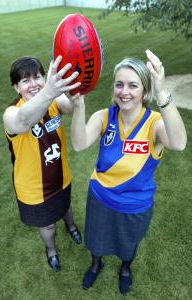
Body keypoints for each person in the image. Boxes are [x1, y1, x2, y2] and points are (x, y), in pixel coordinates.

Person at [69, 49, 187, 295]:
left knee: (127, 245)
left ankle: (125, 268)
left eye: (133, 85)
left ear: (144, 91)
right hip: (100, 199)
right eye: (119, 84)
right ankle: (96, 264)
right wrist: (79, 107)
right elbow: (79, 144)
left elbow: (178, 143)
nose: (124, 92)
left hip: (135, 205)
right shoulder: (104, 116)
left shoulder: (154, 123)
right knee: (96, 240)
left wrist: (162, 90)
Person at [3, 55, 82, 272]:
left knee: (66, 207)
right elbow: (23, 121)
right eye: (25, 80)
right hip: (34, 188)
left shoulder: (53, 103)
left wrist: (77, 87)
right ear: (16, 87)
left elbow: (71, 105)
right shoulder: (11, 113)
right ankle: (51, 250)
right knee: (47, 223)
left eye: (37, 77)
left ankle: (72, 227)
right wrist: (48, 90)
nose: (34, 83)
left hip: (61, 175)